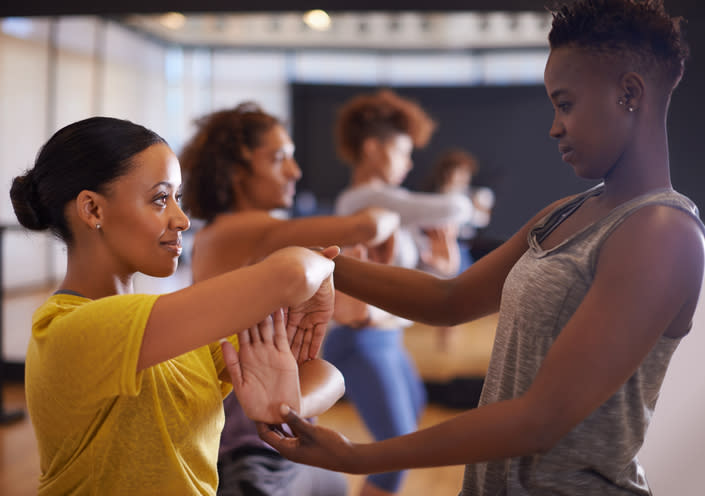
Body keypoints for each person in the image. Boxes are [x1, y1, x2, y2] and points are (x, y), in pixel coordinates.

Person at [259, 1, 705, 495]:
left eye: (566, 104)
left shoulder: (663, 233)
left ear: (628, 93)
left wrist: (362, 456)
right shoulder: (562, 214)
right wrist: (320, 266)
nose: (554, 126)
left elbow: (544, 418)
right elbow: (448, 301)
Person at [9, 116, 344, 496]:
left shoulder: (173, 331)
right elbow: (293, 274)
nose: (182, 220)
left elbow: (325, 373)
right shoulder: (73, 330)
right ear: (93, 210)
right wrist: (322, 267)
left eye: (177, 199)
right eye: (159, 199)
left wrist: (284, 406)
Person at [179, 102, 400, 496]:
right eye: (279, 158)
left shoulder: (248, 236)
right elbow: (366, 225)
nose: (294, 172)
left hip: (273, 431)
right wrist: (391, 217)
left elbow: (352, 313)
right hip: (249, 445)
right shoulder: (243, 230)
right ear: (235, 171)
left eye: (293, 158)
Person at [322, 89, 474, 496]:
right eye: (403, 152)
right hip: (364, 338)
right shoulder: (364, 199)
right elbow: (456, 209)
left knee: (411, 420)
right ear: (372, 149)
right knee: (396, 455)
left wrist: (434, 269)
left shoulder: (392, 207)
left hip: (385, 335)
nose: (409, 164)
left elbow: (393, 279)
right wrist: (467, 199)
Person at [417, 148, 495, 351]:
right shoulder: (434, 196)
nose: (462, 177)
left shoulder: (472, 197)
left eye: (465, 173)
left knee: (459, 297)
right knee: (443, 296)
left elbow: (482, 218)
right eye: (458, 171)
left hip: (459, 249)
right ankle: (443, 339)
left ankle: (448, 340)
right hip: (437, 247)